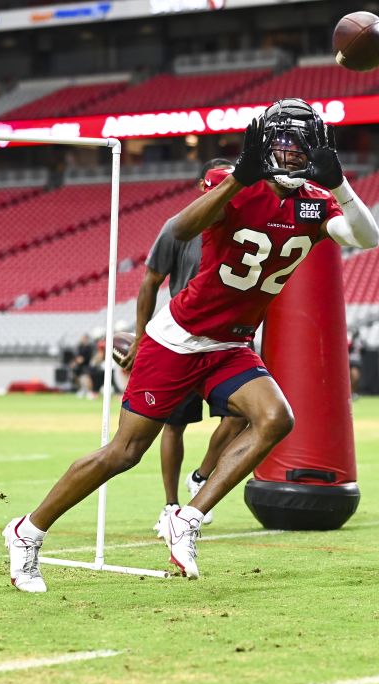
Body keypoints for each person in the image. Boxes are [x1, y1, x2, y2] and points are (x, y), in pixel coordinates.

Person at [2, 99, 379, 590]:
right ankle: (27, 531)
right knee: (124, 452)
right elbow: (178, 229)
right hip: (179, 338)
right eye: (280, 143)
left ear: (316, 148)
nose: (288, 154)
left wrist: (340, 183)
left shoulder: (316, 199)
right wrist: (239, 179)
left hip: (231, 344)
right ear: (263, 147)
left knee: (276, 417)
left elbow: (367, 238)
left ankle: (188, 518)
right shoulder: (233, 187)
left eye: (298, 144)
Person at [121, 157, 250, 534]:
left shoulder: (248, 224)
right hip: (182, 340)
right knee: (169, 426)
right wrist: (142, 335)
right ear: (202, 186)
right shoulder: (179, 227)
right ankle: (170, 505)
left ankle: (202, 474)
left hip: (228, 340)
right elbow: (150, 281)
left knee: (245, 415)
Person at [348, 329, 365, 401]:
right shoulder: (351, 341)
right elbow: (348, 348)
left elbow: (364, 351)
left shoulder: (361, 342)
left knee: (355, 378)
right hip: (351, 361)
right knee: (351, 378)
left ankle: (354, 392)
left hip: (357, 362)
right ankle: (351, 393)